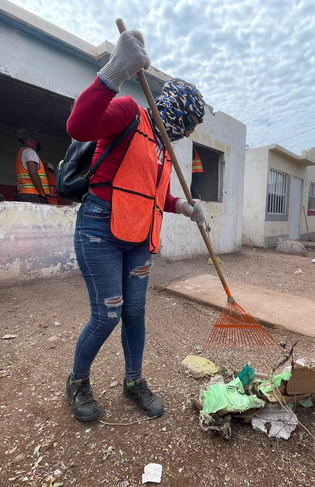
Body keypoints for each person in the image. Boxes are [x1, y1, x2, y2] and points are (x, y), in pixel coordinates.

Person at [65, 30, 206, 422]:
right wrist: (114, 73)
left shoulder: (164, 149)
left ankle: (133, 382)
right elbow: (79, 126)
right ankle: (77, 381)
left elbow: (153, 196)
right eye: (190, 123)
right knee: (107, 314)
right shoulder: (129, 112)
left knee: (135, 313)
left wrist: (184, 206)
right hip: (100, 230)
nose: (189, 133)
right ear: (175, 109)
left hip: (139, 238)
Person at [15, 130, 49, 204]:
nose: (34, 144)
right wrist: (42, 194)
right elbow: (33, 173)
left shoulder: (21, 152)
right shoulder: (29, 152)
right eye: (32, 141)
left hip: (24, 194)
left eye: (35, 143)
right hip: (33, 195)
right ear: (26, 140)